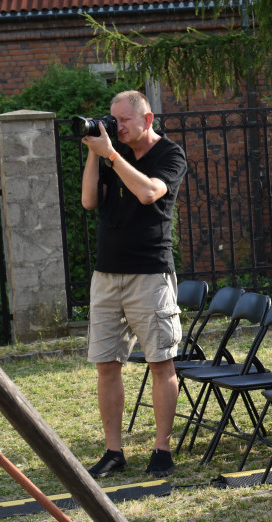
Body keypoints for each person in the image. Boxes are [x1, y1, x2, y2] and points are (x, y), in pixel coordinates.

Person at [79, 90, 188, 479]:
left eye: (123, 120)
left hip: (149, 272)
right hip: (107, 274)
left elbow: (147, 193)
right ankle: (114, 451)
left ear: (147, 119)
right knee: (106, 365)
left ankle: (162, 448)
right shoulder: (111, 153)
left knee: (161, 362)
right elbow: (89, 201)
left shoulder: (170, 155)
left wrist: (111, 154)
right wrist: (96, 151)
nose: (116, 126)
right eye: (112, 119)